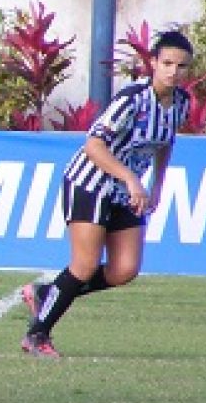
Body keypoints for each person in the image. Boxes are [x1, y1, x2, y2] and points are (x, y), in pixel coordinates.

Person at [20, 30, 194, 358]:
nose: (174, 71)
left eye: (181, 66)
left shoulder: (181, 103)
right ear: (153, 63)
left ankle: (48, 293)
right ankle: (37, 334)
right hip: (90, 183)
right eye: (167, 63)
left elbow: (165, 143)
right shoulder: (132, 99)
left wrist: (157, 184)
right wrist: (131, 178)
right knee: (84, 265)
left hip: (126, 191)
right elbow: (93, 145)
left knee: (124, 270)